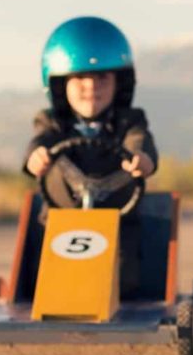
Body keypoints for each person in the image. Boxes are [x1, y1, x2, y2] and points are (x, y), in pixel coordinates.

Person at [23, 16, 158, 299]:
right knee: (43, 250)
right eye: (80, 78)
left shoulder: (130, 121)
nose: (91, 86)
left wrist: (140, 159)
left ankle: (119, 296)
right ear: (60, 86)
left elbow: (139, 143)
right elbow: (39, 143)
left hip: (116, 219)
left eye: (102, 77)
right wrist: (35, 158)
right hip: (60, 218)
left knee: (126, 265)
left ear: (120, 83)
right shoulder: (51, 123)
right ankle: (48, 293)